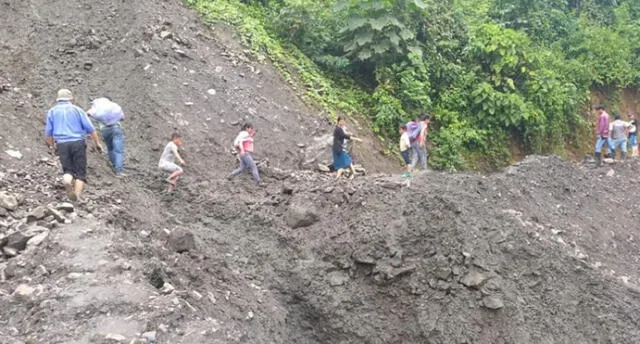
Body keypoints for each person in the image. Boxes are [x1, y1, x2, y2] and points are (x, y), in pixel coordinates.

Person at [44, 89, 104, 201]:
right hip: (78, 143)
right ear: (71, 99)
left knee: (68, 170)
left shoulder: (52, 111)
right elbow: (91, 129)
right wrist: (97, 144)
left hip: (61, 143)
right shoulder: (77, 110)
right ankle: (76, 196)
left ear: (58, 99)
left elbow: (48, 133)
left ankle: (67, 180)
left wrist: (53, 147)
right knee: (80, 172)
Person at [86, 97, 126, 176]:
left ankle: (115, 166)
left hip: (105, 131)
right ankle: (119, 171)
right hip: (116, 129)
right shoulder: (113, 107)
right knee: (118, 150)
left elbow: (86, 114)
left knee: (110, 149)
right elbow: (122, 118)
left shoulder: (96, 108)